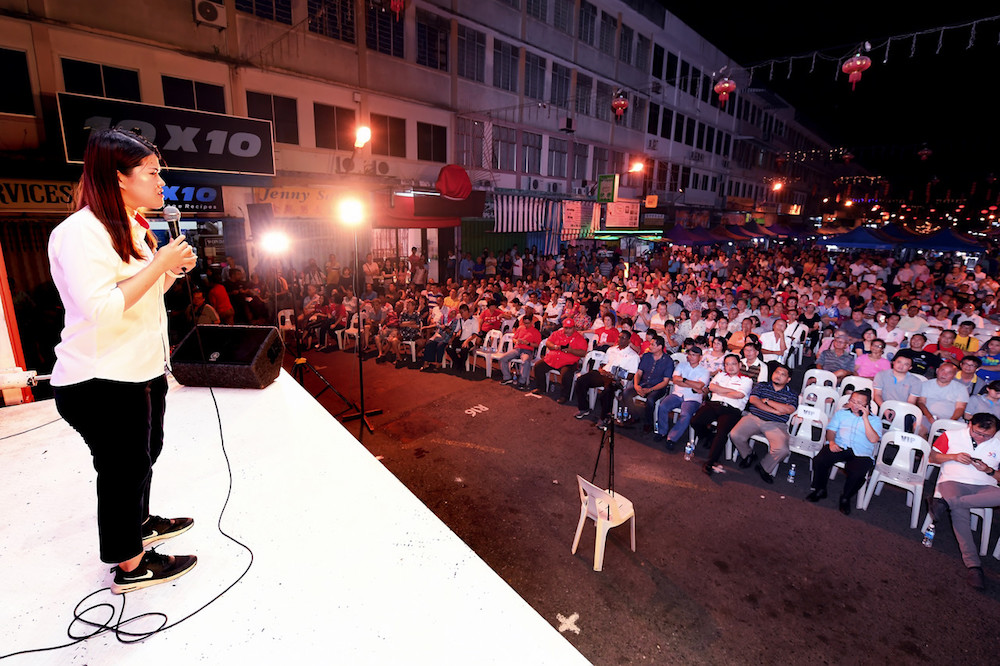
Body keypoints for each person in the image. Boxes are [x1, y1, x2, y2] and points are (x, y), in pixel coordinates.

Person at [48, 129, 198, 594]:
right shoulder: (80, 233)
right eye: (152, 172)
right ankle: (129, 565)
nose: (161, 182)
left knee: (144, 454)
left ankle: (140, 523)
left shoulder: (133, 227)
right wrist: (158, 265)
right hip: (100, 379)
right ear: (119, 177)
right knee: (121, 469)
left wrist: (168, 271)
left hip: (141, 370)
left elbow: (143, 297)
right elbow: (104, 307)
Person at [926, 413, 1000, 590]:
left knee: (956, 503)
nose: (981, 438)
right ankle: (974, 566)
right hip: (952, 481)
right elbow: (932, 457)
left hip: (984, 487)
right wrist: (953, 456)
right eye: (977, 433)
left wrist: (989, 470)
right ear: (970, 425)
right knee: (960, 512)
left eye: (987, 436)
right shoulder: (951, 435)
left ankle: (945, 504)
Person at [806, 389, 882, 515]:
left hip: (861, 452)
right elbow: (831, 430)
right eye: (852, 401)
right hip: (840, 445)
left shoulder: (875, 420)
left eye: (859, 403)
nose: (854, 405)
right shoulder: (841, 414)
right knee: (820, 460)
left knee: (857, 473)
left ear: (867, 405)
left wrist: (865, 418)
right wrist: (831, 442)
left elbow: (874, 439)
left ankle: (845, 497)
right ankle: (820, 489)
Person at [729, 364, 799, 483]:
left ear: (788, 379)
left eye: (783, 375)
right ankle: (748, 454)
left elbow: (788, 410)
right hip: (753, 418)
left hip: (776, 424)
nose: (778, 376)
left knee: (783, 450)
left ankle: (764, 467)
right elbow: (754, 400)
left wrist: (767, 401)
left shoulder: (792, 393)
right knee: (735, 434)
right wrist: (775, 411)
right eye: (777, 372)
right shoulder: (762, 385)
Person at [692, 354, 753, 475]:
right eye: (727, 364)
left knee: (721, 432)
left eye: (733, 364)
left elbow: (739, 395)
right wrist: (729, 391)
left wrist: (720, 390)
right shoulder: (720, 375)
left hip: (732, 409)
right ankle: (709, 437)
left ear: (740, 365)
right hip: (714, 404)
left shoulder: (747, 380)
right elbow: (711, 387)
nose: (730, 367)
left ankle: (710, 462)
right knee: (695, 421)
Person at [573, 329, 640, 424]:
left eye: (623, 338)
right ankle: (584, 408)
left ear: (629, 341)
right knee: (581, 380)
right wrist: (601, 370)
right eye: (619, 337)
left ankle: (605, 417)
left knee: (607, 392)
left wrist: (614, 375)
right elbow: (603, 363)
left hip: (617, 379)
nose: (620, 340)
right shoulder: (611, 350)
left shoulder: (633, 356)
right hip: (604, 374)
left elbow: (630, 376)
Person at [654, 346, 710, 450]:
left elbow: (700, 386)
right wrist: (693, 384)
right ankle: (662, 432)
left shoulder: (705, 371)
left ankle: (672, 438)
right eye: (689, 354)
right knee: (663, 406)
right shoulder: (681, 365)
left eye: (694, 355)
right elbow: (675, 380)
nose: (691, 357)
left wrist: (683, 380)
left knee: (686, 414)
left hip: (693, 398)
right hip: (677, 394)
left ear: (700, 357)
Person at [618, 333, 674, 432]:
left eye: (652, 345)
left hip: (658, 387)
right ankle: (635, 416)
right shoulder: (647, 356)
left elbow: (665, 382)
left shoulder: (668, 361)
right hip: (644, 383)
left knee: (651, 400)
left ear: (660, 347)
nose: (649, 346)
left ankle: (648, 423)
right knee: (626, 393)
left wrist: (650, 389)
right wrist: (636, 385)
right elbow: (639, 373)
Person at [532, 318, 587, 404]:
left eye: (570, 328)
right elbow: (548, 342)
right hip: (553, 359)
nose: (567, 330)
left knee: (566, 375)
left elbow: (583, 352)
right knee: (538, 366)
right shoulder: (557, 333)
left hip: (568, 362)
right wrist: (554, 346)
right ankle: (541, 388)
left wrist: (571, 350)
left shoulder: (579, 338)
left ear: (574, 328)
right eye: (566, 328)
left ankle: (564, 395)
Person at [916, 362, 969, 436]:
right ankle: (926, 447)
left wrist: (950, 422)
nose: (944, 374)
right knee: (918, 428)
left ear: (954, 375)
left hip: (951, 419)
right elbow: (921, 402)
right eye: (942, 370)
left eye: (949, 372)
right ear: (937, 371)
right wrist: (929, 417)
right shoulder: (926, 384)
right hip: (928, 417)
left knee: (961, 435)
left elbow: (960, 408)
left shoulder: (961, 388)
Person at [498, 314, 542, 389]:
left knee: (525, 361)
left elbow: (537, 345)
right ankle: (507, 378)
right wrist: (516, 341)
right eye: (525, 323)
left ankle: (522, 382)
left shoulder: (535, 332)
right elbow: (514, 338)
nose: (526, 325)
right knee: (503, 358)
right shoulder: (520, 328)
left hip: (527, 350)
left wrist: (528, 343)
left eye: (528, 323)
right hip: (517, 349)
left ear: (531, 322)